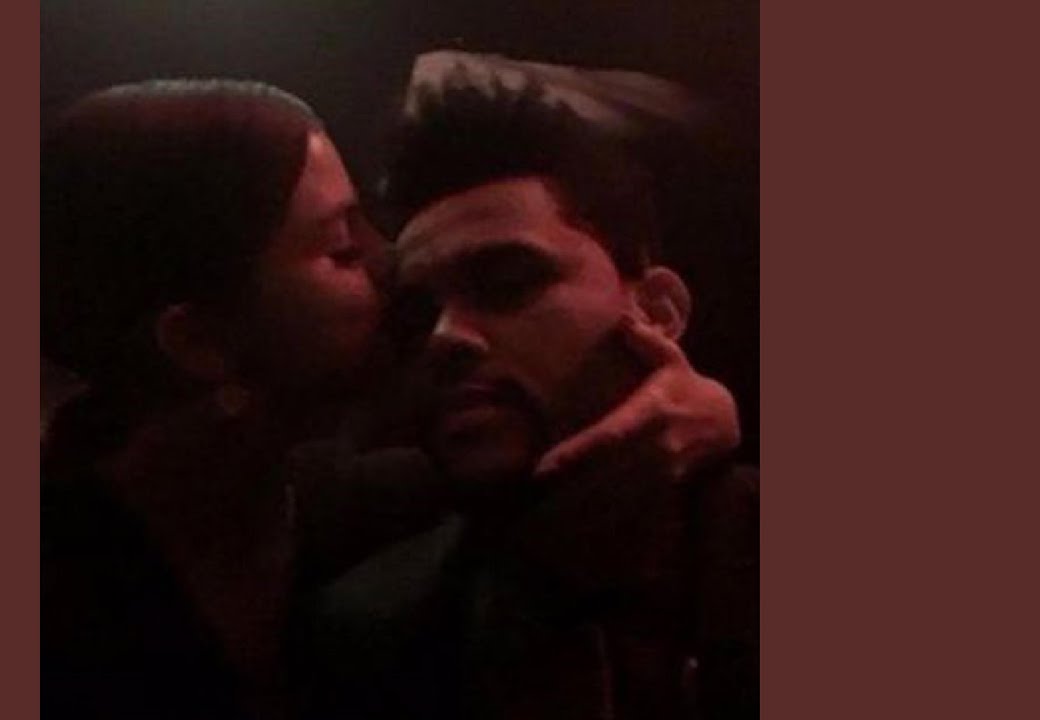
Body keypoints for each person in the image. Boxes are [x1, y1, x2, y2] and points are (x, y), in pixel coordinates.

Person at [40, 78, 743, 720]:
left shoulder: (382, 506)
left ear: (660, 308)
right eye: (344, 251)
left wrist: (706, 420)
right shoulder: (369, 587)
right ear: (198, 341)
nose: (389, 271)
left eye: (507, 281)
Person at [294, 80, 757, 719]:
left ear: (658, 310)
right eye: (416, 314)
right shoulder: (369, 632)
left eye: (509, 281)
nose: (444, 337)